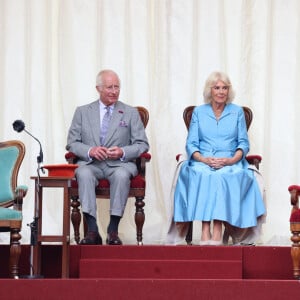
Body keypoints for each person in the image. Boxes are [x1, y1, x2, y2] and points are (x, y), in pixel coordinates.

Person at [173, 71, 266, 245]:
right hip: (202, 160)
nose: (221, 92)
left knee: (221, 176)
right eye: (217, 88)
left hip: (231, 161)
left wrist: (231, 160)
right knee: (204, 174)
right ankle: (205, 229)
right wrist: (203, 159)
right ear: (210, 90)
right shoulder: (199, 112)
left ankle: (217, 230)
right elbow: (191, 143)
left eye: (225, 88)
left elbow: (243, 143)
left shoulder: (237, 112)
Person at [66, 69, 149, 245]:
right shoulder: (82, 112)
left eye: (117, 87)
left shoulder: (130, 112)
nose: (114, 91)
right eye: (109, 87)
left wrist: (123, 151)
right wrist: (90, 150)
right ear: (98, 88)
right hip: (91, 163)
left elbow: (142, 144)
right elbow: (72, 143)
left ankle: (113, 230)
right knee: (83, 174)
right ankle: (92, 231)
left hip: (119, 164)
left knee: (121, 175)